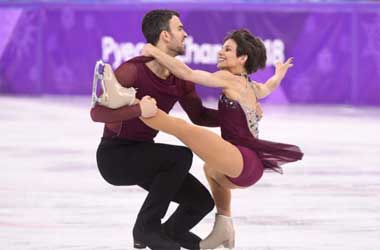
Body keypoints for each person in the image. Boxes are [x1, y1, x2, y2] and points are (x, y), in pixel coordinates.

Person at [139, 29, 304, 249]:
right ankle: (224, 224)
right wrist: (279, 75)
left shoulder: (230, 79)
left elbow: (188, 74)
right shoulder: (251, 86)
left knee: (184, 130)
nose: (221, 52)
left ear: (242, 58)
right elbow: (268, 87)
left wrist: (154, 51)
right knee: (210, 169)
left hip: (242, 160)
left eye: (228, 49)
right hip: (246, 167)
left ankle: (136, 107)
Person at [90, 9, 219, 250]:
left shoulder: (179, 77)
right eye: (180, 28)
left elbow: (199, 115)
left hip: (147, 157)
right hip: (114, 157)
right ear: (165, 36)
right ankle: (145, 228)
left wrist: (235, 116)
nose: (186, 34)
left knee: (200, 202)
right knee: (180, 157)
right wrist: (138, 110)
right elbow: (97, 113)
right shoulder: (132, 70)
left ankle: (169, 233)